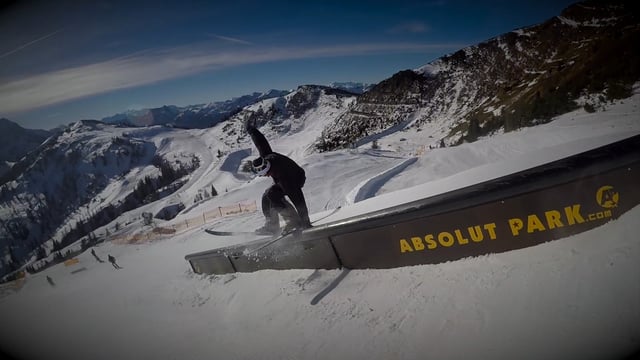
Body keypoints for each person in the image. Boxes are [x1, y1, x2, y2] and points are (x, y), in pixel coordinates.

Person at [246, 122, 311, 235]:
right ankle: (272, 225)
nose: (266, 176)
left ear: (268, 169)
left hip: (296, 179)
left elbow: (299, 200)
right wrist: (251, 130)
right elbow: (261, 143)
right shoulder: (267, 157)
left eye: (266, 174)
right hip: (285, 176)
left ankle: (294, 222)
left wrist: (306, 223)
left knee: (273, 194)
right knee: (266, 196)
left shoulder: (285, 179)